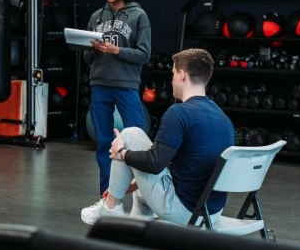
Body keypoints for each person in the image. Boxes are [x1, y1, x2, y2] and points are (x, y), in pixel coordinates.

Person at [80, 48, 233, 227]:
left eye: (173, 74)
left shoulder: (179, 112)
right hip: (211, 212)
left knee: (130, 134)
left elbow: (154, 163)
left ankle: (110, 207)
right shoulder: (221, 117)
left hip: (185, 212)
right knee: (141, 193)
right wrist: (138, 181)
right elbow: (191, 159)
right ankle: (137, 238)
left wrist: (122, 153)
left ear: (182, 75)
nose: (172, 80)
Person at [84, 0, 152, 195]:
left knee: (139, 141)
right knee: (104, 144)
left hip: (126, 84)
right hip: (99, 84)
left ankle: (145, 196)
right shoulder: (96, 17)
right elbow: (86, 57)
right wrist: (92, 50)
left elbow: (144, 55)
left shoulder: (138, 16)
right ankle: (107, 198)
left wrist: (116, 50)